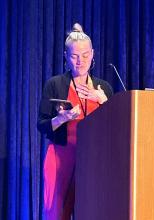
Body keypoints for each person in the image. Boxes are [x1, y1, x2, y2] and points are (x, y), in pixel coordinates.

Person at [37, 23, 113, 220]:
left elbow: (116, 128)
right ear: (65, 56)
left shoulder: (103, 88)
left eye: (86, 55)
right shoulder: (55, 84)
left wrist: (103, 101)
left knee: (92, 211)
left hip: (94, 161)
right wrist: (61, 118)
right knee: (56, 214)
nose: (80, 62)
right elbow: (41, 124)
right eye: (74, 56)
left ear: (93, 54)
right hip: (61, 158)